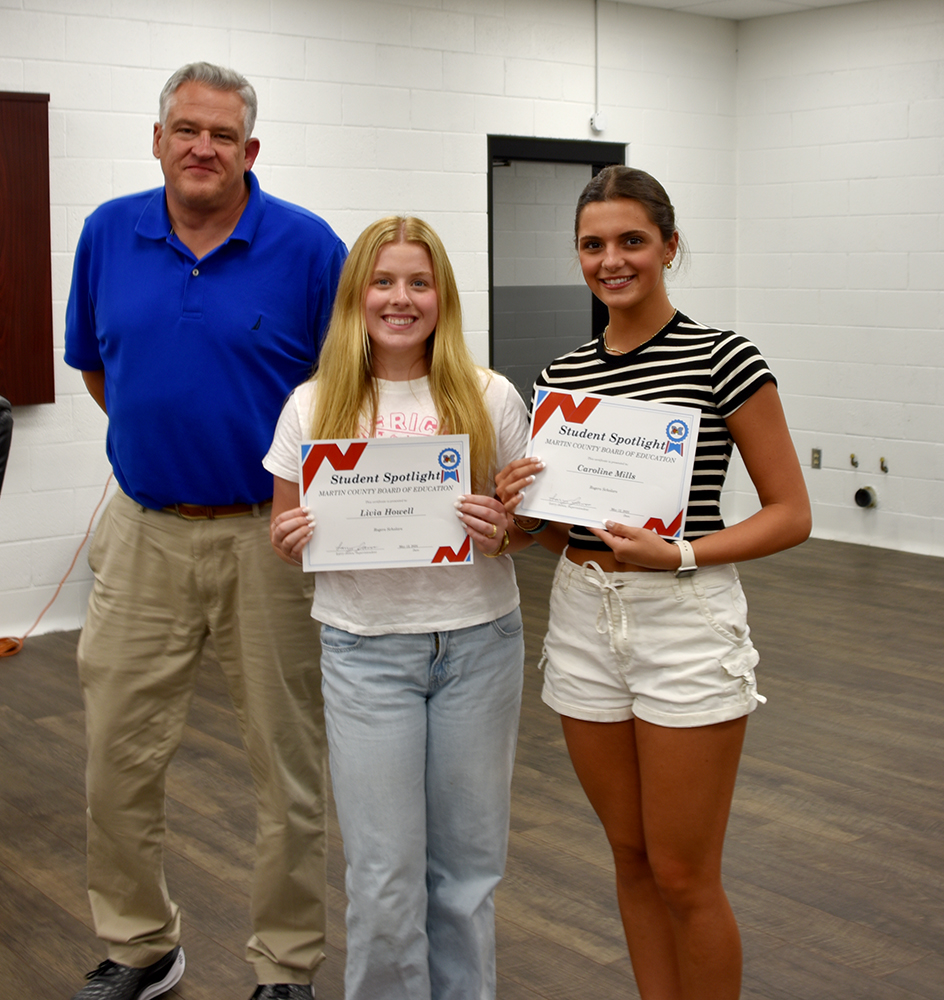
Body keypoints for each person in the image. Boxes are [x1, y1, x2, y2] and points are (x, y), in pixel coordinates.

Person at [63, 62, 347, 1000]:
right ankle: (143, 945)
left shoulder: (309, 249)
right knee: (117, 757)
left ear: (249, 151)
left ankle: (285, 966)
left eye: (223, 135)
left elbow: (346, 394)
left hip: (272, 541)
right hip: (142, 532)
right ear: (157, 140)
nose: (202, 148)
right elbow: (101, 373)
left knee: (288, 767)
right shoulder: (107, 233)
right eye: (186, 129)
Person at [496, 166, 812, 1000]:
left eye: (632, 240)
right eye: (593, 244)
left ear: (670, 246)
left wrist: (678, 556)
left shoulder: (724, 358)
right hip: (580, 616)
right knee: (631, 859)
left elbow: (791, 513)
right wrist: (521, 507)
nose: (612, 260)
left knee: (682, 873)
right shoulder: (565, 374)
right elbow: (559, 525)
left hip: (682, 615)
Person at [265, 216, 531, 1000]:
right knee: (382, 878)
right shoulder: (313, 406)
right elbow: (285, 528)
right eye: (383, 282)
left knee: (467, 874)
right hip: (365, 652)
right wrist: (291, 539)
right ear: (357, 297)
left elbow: (527, 525)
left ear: (442, 297)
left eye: (419, 282)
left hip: (479, 648)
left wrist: (505, 529)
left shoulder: (489, 396)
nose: (401, 299)